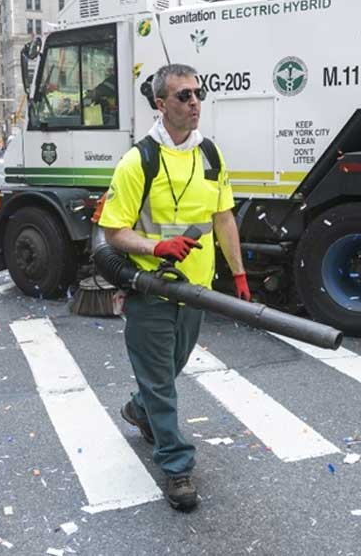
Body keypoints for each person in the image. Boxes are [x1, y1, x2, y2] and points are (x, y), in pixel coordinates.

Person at [98, 64, 249, 512]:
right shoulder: (137, 161)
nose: (194, 102)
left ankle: (138, 410)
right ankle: (177, 466)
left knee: (170, 371)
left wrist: (239, 275)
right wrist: (157, 245)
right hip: (151, 291)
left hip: (195, 292)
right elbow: (113, 231)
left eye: (198, 93)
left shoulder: (211, 157)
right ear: (161, 105)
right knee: (162, 383)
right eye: (183, 96)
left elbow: (223, 218)